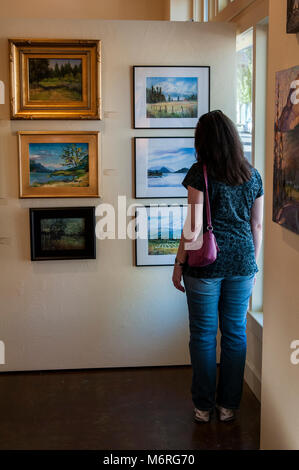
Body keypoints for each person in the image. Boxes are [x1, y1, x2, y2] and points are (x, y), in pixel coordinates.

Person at [172, 110, 264, 423]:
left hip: (204, 265)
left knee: (202, 335)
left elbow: (193, 226)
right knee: (235, 334)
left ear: (204, 141)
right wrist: (253, 267)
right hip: (242, 264)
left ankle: (203, 406)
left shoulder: (200, 172)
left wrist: (178, 262)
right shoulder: (253, 175)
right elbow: (258, 226)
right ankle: (228, 406)